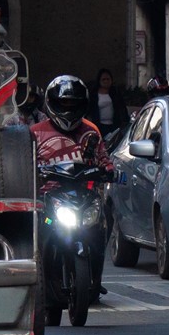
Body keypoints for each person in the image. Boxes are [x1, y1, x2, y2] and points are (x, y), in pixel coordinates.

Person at [31, 75, 115, 296]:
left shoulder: (91, 131)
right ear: (52, 103)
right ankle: (39, 280)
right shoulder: (35, 132)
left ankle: (95, 276)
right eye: (63, 103)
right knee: (38, 231)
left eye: (73, 104)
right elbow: (22, 165)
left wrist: (109, 170)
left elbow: (103, 158)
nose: (68, 109)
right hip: (48, 199)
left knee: (105, 219)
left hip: (85, 196)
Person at [86, 68, 130, 138]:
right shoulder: (94, 94)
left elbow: (122, 108)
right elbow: (89, 109)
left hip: (114, 126)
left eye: (108, 79)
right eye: (103, 79)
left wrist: (125, 122)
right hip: (99, 126)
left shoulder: (115, 92)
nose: (106, 81)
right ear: (99, 80)